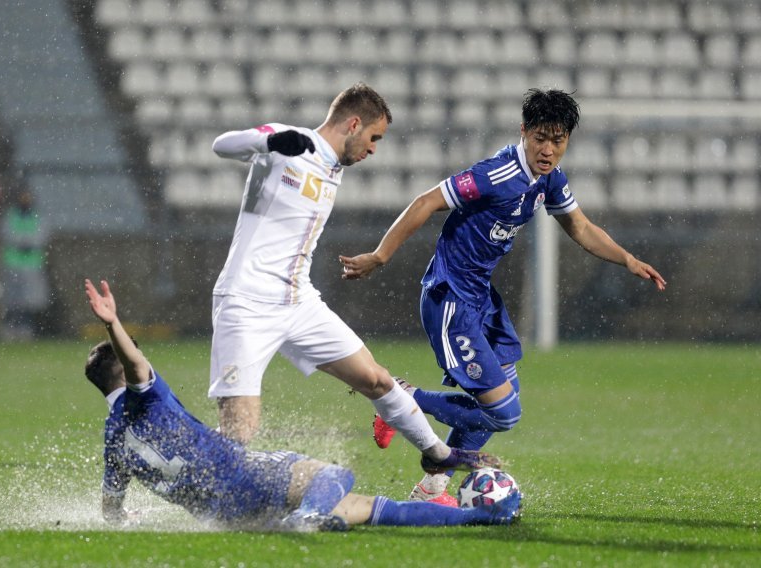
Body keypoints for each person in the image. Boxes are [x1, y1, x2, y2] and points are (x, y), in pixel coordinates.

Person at [339, 88, 667, 506]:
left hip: (482, 300)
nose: (548, 150)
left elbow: (580, 227)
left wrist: (627, 259)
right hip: (451, 300)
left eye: (558, 140)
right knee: (505, 413)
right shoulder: (496, 174)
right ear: (524, 132)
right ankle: (399, 396)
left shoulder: (549, 178)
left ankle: (432, 485)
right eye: (540, 139)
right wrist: (381, 255)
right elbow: (426, 201)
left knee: (500, 396)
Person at [208, 82, 497, 474]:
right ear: (354, 124)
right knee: (239, 431)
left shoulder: (331, 166)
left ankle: (439, 454)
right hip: (246, 302)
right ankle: (184, 479)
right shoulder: (289, 143)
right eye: (374, 137)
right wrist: (273, 142)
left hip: (298, 301)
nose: (374, 149)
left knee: (376, 379)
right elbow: (222, 145)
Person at [83, 278, 522, 531]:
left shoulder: (113, 442)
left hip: (224, 515)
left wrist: (127, 518)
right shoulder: (145, 398)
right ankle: (309, 515)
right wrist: (113, 323)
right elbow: (138, 366)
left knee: (362, 507)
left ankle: (475, 520)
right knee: (334, 475)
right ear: (122, 368)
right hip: (239, 474)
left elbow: (111, 510)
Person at [1, 186, 50, 340]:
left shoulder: (37, 216)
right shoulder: (12, 215)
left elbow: (42, 236)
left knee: (30, 299)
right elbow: (7, 233)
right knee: (13, 298)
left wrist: (25, 241)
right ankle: (11, 327)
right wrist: (24, 241)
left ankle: (26, 328)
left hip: (32, 263)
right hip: (13, 262)